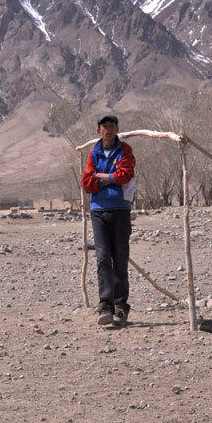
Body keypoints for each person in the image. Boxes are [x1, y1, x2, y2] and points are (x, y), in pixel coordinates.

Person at [81, 114, 136, 327]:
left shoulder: (125, 150)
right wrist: (108, 178)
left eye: (112, 126)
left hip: (120, 209)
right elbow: (87, 182)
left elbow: (125, 174)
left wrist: (101, 177)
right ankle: (105, 304)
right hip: (98, 211)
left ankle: (121, 304)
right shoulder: (93, 153)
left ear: (117, 129)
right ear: (98, 131)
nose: (108, 130)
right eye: (104, 127)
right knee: (103, 257)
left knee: (120, 258)